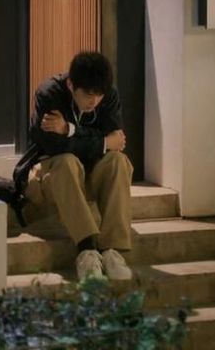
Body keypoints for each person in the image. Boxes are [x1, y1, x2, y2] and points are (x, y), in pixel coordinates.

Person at [13, 52, 133, 280]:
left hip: (87, 175)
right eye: (88, 95)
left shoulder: (109, 95)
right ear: (71, 84)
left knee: (118, 161)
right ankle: (87, 250)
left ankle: (111, 250)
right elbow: (55, 145)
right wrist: (101, 141)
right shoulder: (49, 93)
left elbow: (116, 143)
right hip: (49, 177)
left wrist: (69, 129)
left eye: (99, 95)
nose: (94, 101)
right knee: (67, 160)